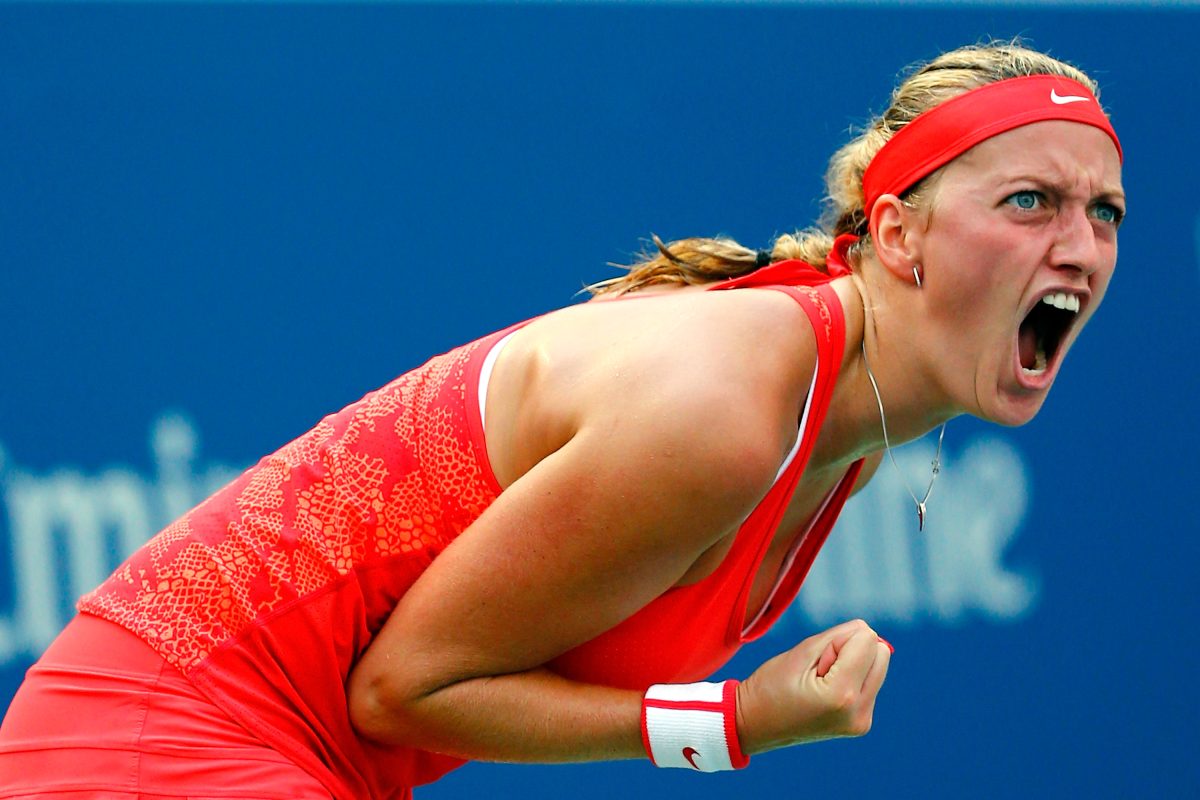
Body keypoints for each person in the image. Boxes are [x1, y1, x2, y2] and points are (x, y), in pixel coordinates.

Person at [0, 40, 1124, 800]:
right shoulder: (728, 412)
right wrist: (732, 723)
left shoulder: (845, 422)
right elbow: (402, 688)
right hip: (152, 740)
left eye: (1104, 212)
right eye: (1029, 201)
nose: (1077, 244)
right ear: (897, 234)